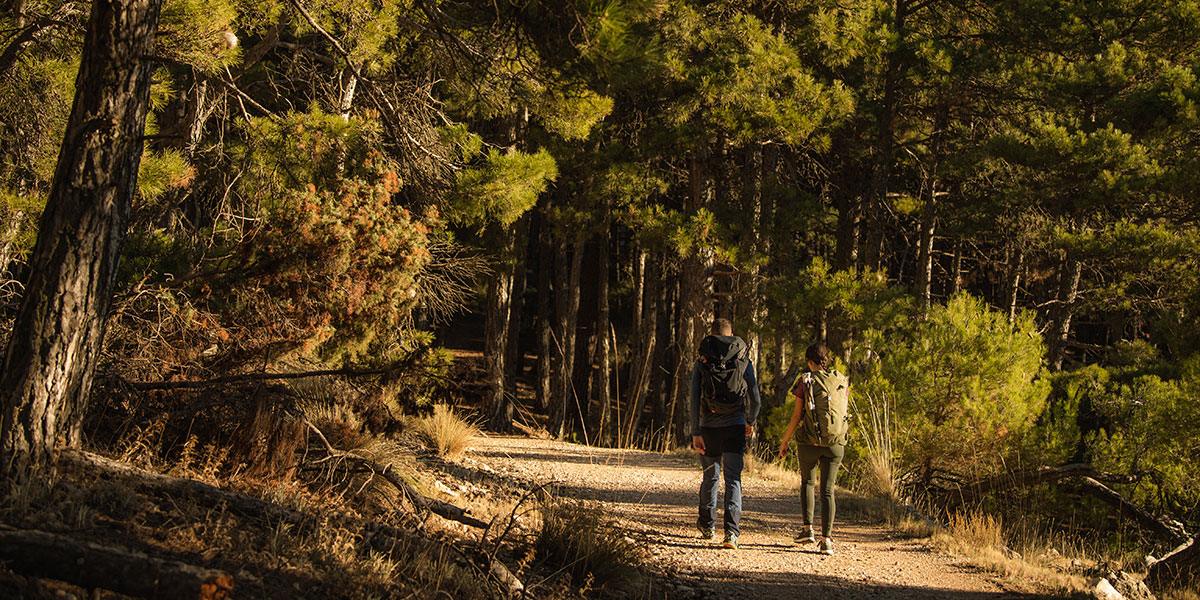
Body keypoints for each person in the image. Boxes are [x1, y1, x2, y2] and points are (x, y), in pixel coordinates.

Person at [691, 318, 761, 550]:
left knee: (710, 476)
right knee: (733, 478)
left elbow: (693, 399)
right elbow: (756, 398)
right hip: (735, 426)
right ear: (731, 336)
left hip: (709, 427)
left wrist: (695, 431)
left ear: (711, 335)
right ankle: (731, 533)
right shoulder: (743, 359)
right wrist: (749, 421)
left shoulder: (703, 360)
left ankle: (707, 525)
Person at [777, 341, 849, 556]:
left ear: (810, 362)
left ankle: (808, 530)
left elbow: (797, 416)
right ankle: (827, 540)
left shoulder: (805, 381)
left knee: (808, 483)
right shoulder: (841, 380)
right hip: (836, 444)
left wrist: (785, 441)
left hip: (809, 442)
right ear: (827, 361)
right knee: (828, 491)